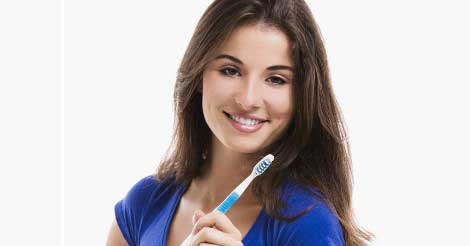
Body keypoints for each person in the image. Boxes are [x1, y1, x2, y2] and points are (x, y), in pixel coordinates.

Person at [107, 0, 373, 245]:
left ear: (302, 95)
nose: (248, 99)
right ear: (199, 74)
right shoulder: (144, 204)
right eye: (230, 71)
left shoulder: (308, 224)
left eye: (276, 79)